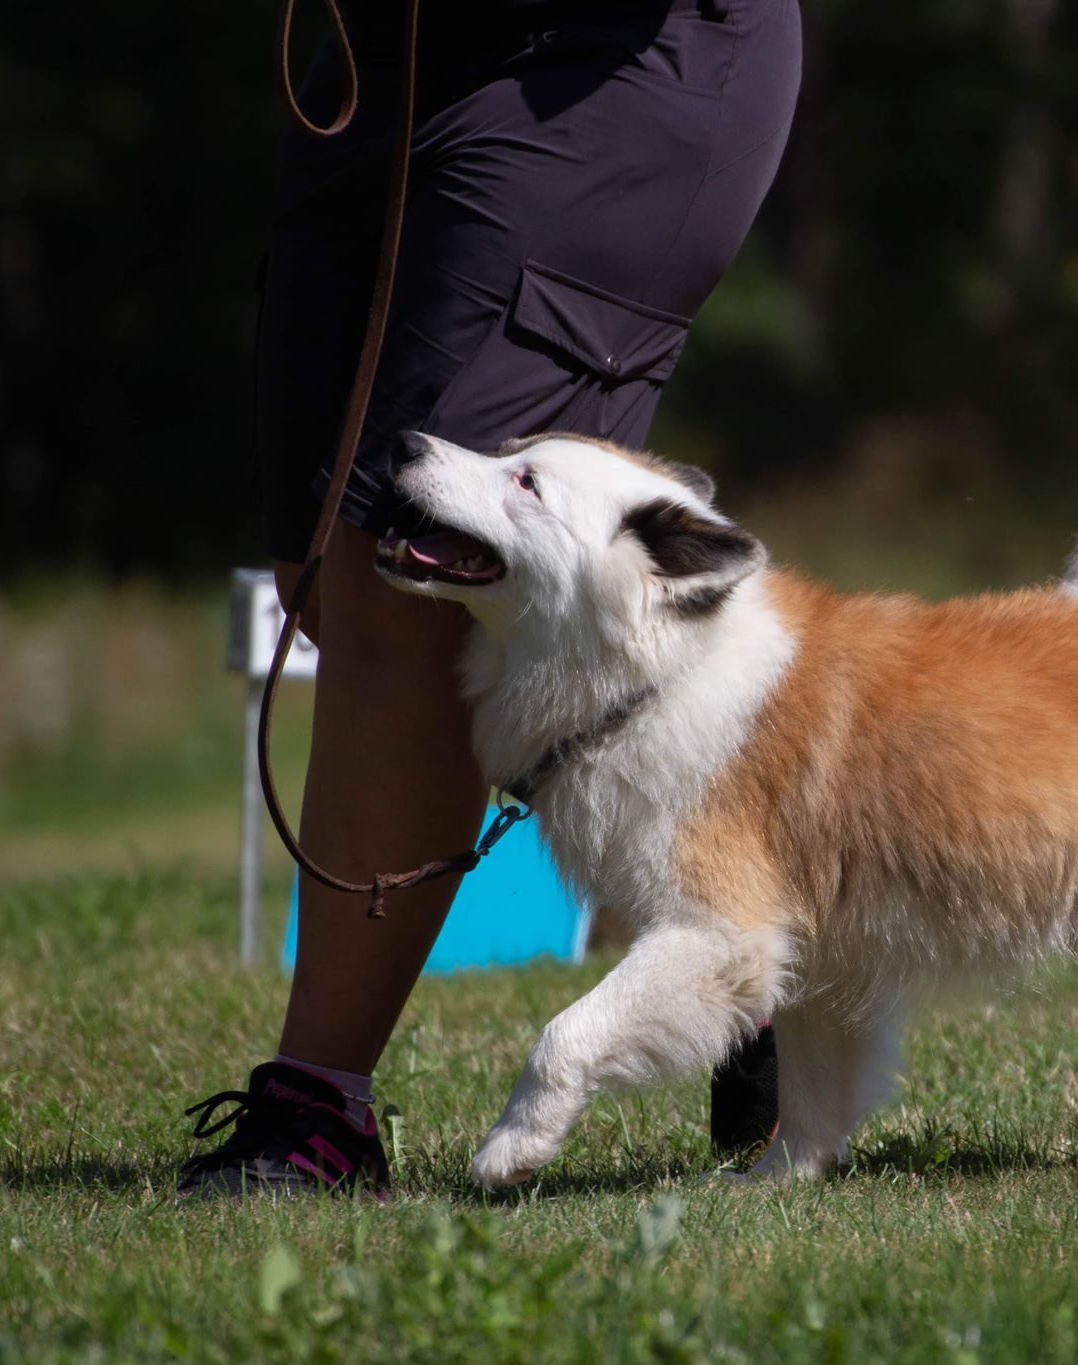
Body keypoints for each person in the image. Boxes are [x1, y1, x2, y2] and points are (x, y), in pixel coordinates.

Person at [178, 0, 800, 1195]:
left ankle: (317, 1116)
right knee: (326, 575)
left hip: (610, 54)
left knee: (415, 572)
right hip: (387, 56)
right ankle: (736, 934)